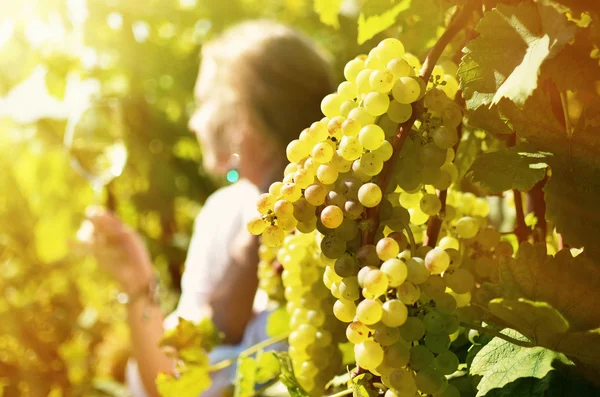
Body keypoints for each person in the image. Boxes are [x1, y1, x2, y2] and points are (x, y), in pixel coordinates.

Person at [87, 20, 333, 397]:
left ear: (246, 113)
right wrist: (138, 286)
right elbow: (171, 381)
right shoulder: (222, 214)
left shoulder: (342, 211)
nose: (193, 120)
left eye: (204, 101)